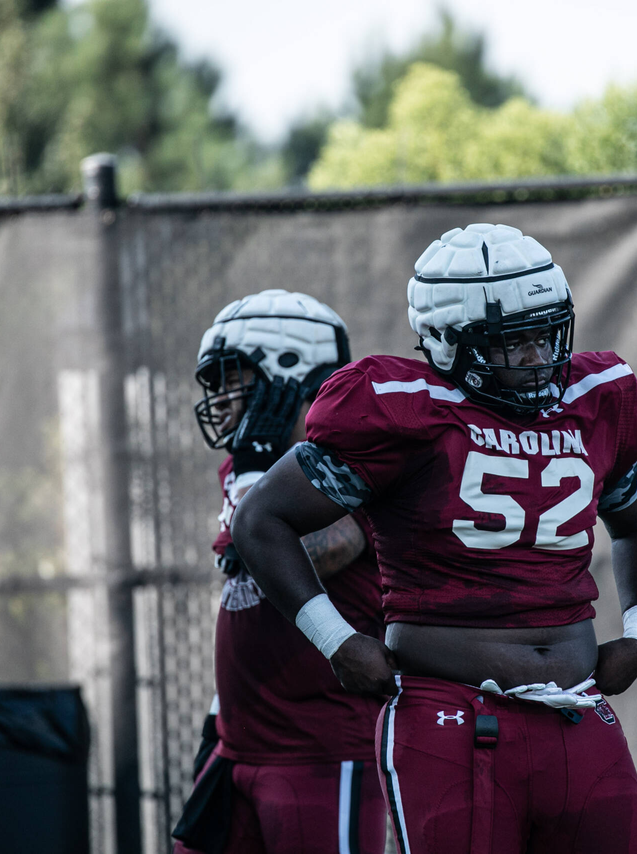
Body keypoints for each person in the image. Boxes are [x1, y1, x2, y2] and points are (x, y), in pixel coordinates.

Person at [231, 223, 637, 854]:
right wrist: (337, 641)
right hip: (450, 715)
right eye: (513, 342)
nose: (538, 355)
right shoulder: (402, 405)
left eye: (547, 333)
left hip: (577, 707)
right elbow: (259, 521)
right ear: (446, 341)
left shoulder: (596, 399)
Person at [172, 289, 387, 854]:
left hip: (319, 749)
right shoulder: (248, 468)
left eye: (231, 377)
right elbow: (235, 560)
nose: (218, 397)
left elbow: (307, 550)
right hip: (237, 743)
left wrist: (254, 478)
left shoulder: (351, 459)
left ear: (288, 373)